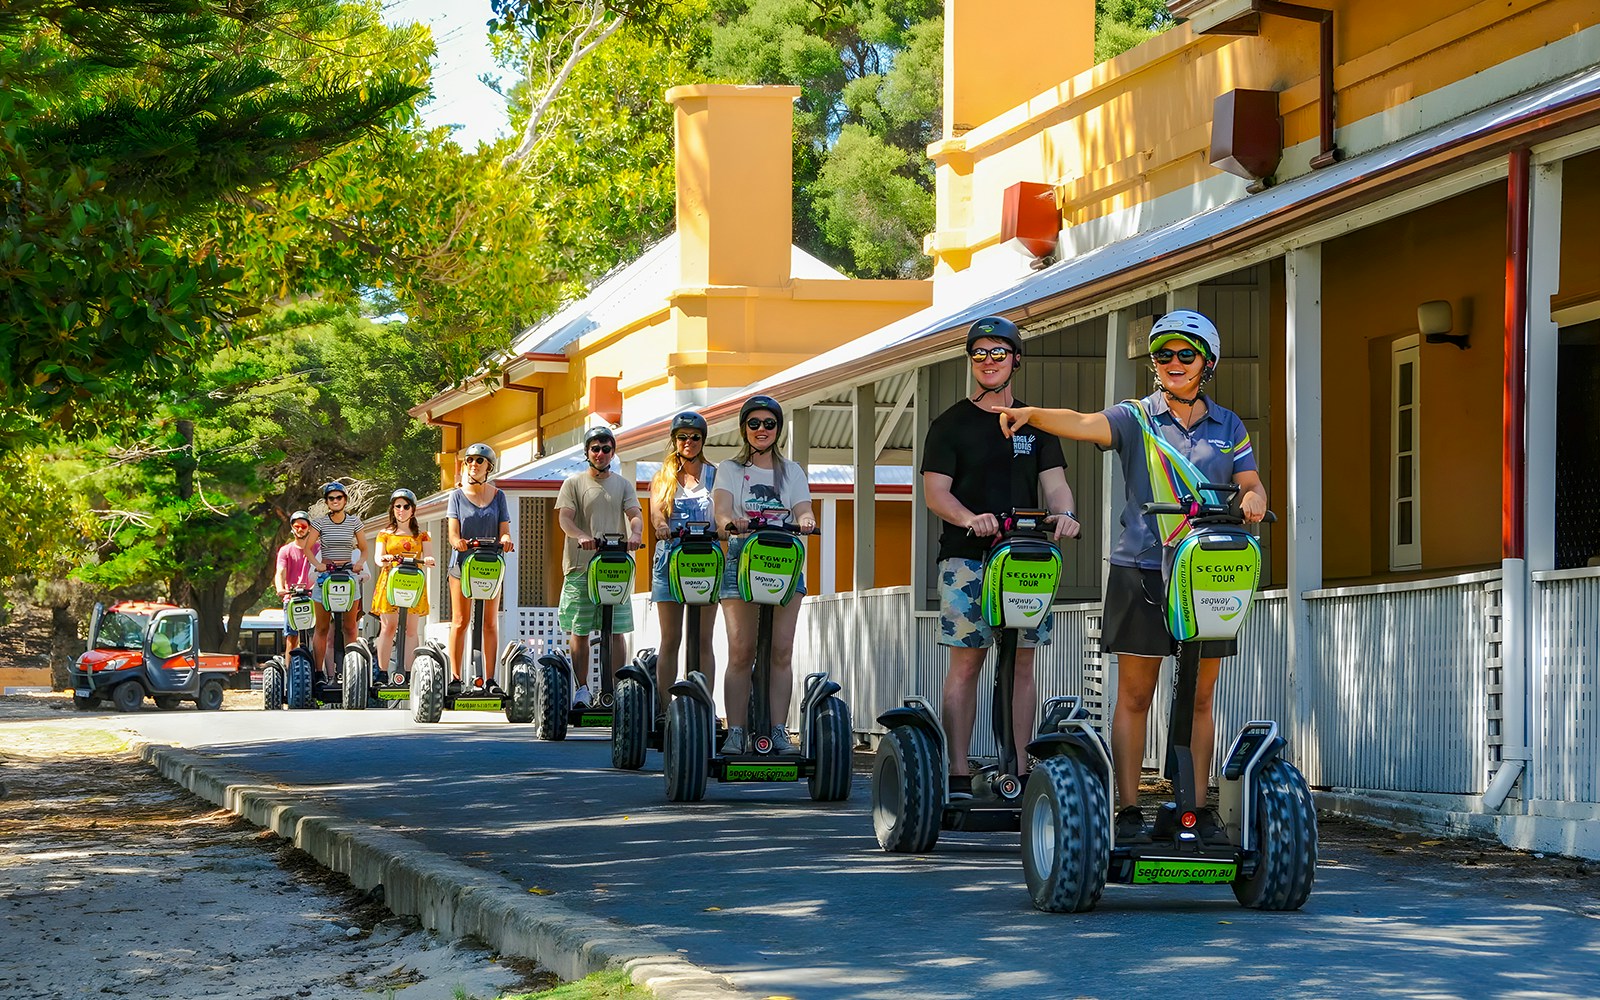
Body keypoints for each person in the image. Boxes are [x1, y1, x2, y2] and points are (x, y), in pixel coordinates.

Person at [998, 309, 1267, 845]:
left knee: (1200, 697)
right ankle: (1127, 811)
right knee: (1136, 694)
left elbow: (1250, 482)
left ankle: (1192, 807)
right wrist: (1032, 414)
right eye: (1163, 353)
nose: (1172, 362)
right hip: (1142, 567)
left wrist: (1255, 499)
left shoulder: (1229, 425)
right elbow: (1082, 422)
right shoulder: (1136, 417)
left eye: (1184, 354)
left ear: (1205, 363)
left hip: (1205, 573)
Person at [922, 316, 1080, 800]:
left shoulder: (1034, 423)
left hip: (1026, 559)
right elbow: (935, 493)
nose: (988, 362)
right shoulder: (951, 423)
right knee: (967, 662)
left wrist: (1066, 516)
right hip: (969, 559)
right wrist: (971, 518)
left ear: (1016, 359)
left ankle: (1019, 770)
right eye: (979, 354)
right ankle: (958, 770)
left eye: (998, 353)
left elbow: (1055, 485)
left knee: (1024, 663)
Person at [712, 395, 816, 756]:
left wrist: (806, 520)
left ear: (778, 429)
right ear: (744, 428)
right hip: (743, 558)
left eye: (768, 424)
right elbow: (721, 509)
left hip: (784, 562)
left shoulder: (792, 471)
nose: (761, 430)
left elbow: (803, 507)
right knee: (741, 651)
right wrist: (729, 522)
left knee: (781, 651)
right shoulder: (729, 469)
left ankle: (777, 730)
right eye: (753, 423)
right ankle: (737, 730)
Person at [556, 426, 644, 707]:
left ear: (613, 452)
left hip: (614, 566)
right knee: (580, 630)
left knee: (617, 631)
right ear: (587, 452)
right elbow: (565, 519)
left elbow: (634, 515)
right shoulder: (573, 483)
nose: (601, 453)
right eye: (595, 448)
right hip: (581, 567)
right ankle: (582, 689)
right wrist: (581, 535)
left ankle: (617, 690)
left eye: (606, 448)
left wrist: (636, 535)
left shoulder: (623, 484)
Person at [648, 412, 719, 722]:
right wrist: (662, 525)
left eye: (695, 437)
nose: (688, 442)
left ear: (702, 440)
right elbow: (655, 514)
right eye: (682, 437)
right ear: (674, 440)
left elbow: (726, 510)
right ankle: (665, 709)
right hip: (671, 558)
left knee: (704, 637)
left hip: (706, 560)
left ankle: (704, 705)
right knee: (671, 638)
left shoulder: (716, 475)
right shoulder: (662, 477)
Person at [448, 443, 514, 693]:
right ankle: (455, 678)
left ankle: (490, 679)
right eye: (470, 460)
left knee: (489, 622)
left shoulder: (499, 496)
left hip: (490, 564)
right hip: (462, 565)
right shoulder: (456, 496)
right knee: (461, 620)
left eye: (479, 460)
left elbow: (504, 531)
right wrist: (459, 542)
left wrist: (506, 540)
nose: (474, 464)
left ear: (489, 466)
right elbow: (453, 534)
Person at [370, 489, 436, 677]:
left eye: (405, 506)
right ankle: (382, 672)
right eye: (397, 506)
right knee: (388, 627)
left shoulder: (422, 535)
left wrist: (429, 560)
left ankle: (407, 673)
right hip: (390, 582)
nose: (401, 510)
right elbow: (377, 557)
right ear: (392, 509)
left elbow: (429, 555)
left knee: (411, 629)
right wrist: (384, 558)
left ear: (412, 510)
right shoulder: (384, 534)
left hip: (412, 583)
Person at [308, 481, 367, 681]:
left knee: (350, 627)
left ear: (345, 500)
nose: (335, 501)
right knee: (322, 627)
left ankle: (353, 672)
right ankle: (318, 673)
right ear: (327, 502)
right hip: (326, 575)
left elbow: (365, 548)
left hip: (348, 573)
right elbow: (308, 548)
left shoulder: (354, 522)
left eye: (338, 498)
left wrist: (359, 562)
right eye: (331, 498)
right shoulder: (320, 523)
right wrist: (318, 564)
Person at [273, 510, 319, 652]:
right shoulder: (285, 550)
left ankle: (318, 670)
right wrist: (280, 588)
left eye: (303, 526)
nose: (300, 529)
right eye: (296, 526)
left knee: (318, 635)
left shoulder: (318, 548)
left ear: (309, 528)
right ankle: (290, 670)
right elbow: (280, 571)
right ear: (292, 528)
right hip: (292, 597)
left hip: (313, 597)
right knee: (292, 637)